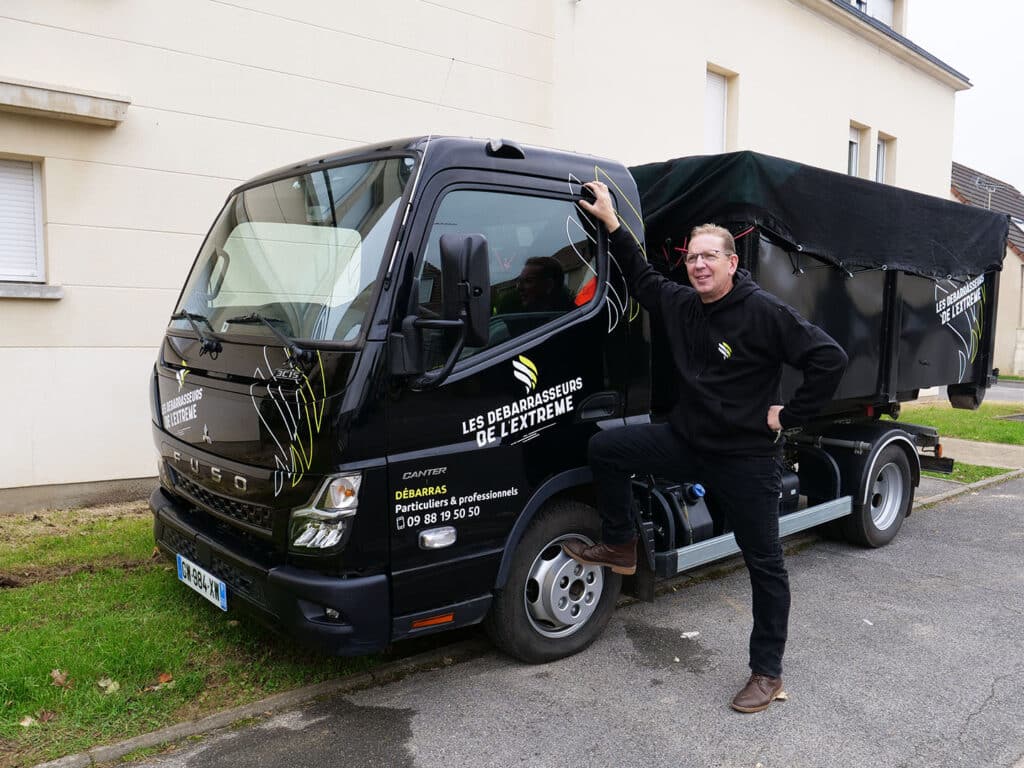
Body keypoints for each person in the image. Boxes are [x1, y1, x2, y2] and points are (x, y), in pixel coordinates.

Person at [563, 181, 848, 713]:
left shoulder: (762, 312)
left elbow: (828, 358)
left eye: (709, 256)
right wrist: (611, 223)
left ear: (732, 261)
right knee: (608, 451)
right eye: (692, 257)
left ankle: (767, 674)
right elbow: (643, 276)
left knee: (765, 566)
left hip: (744, 459)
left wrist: (790, 415)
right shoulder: (683, 304)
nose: (698, 265)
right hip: (687, 443)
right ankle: (622, 546)